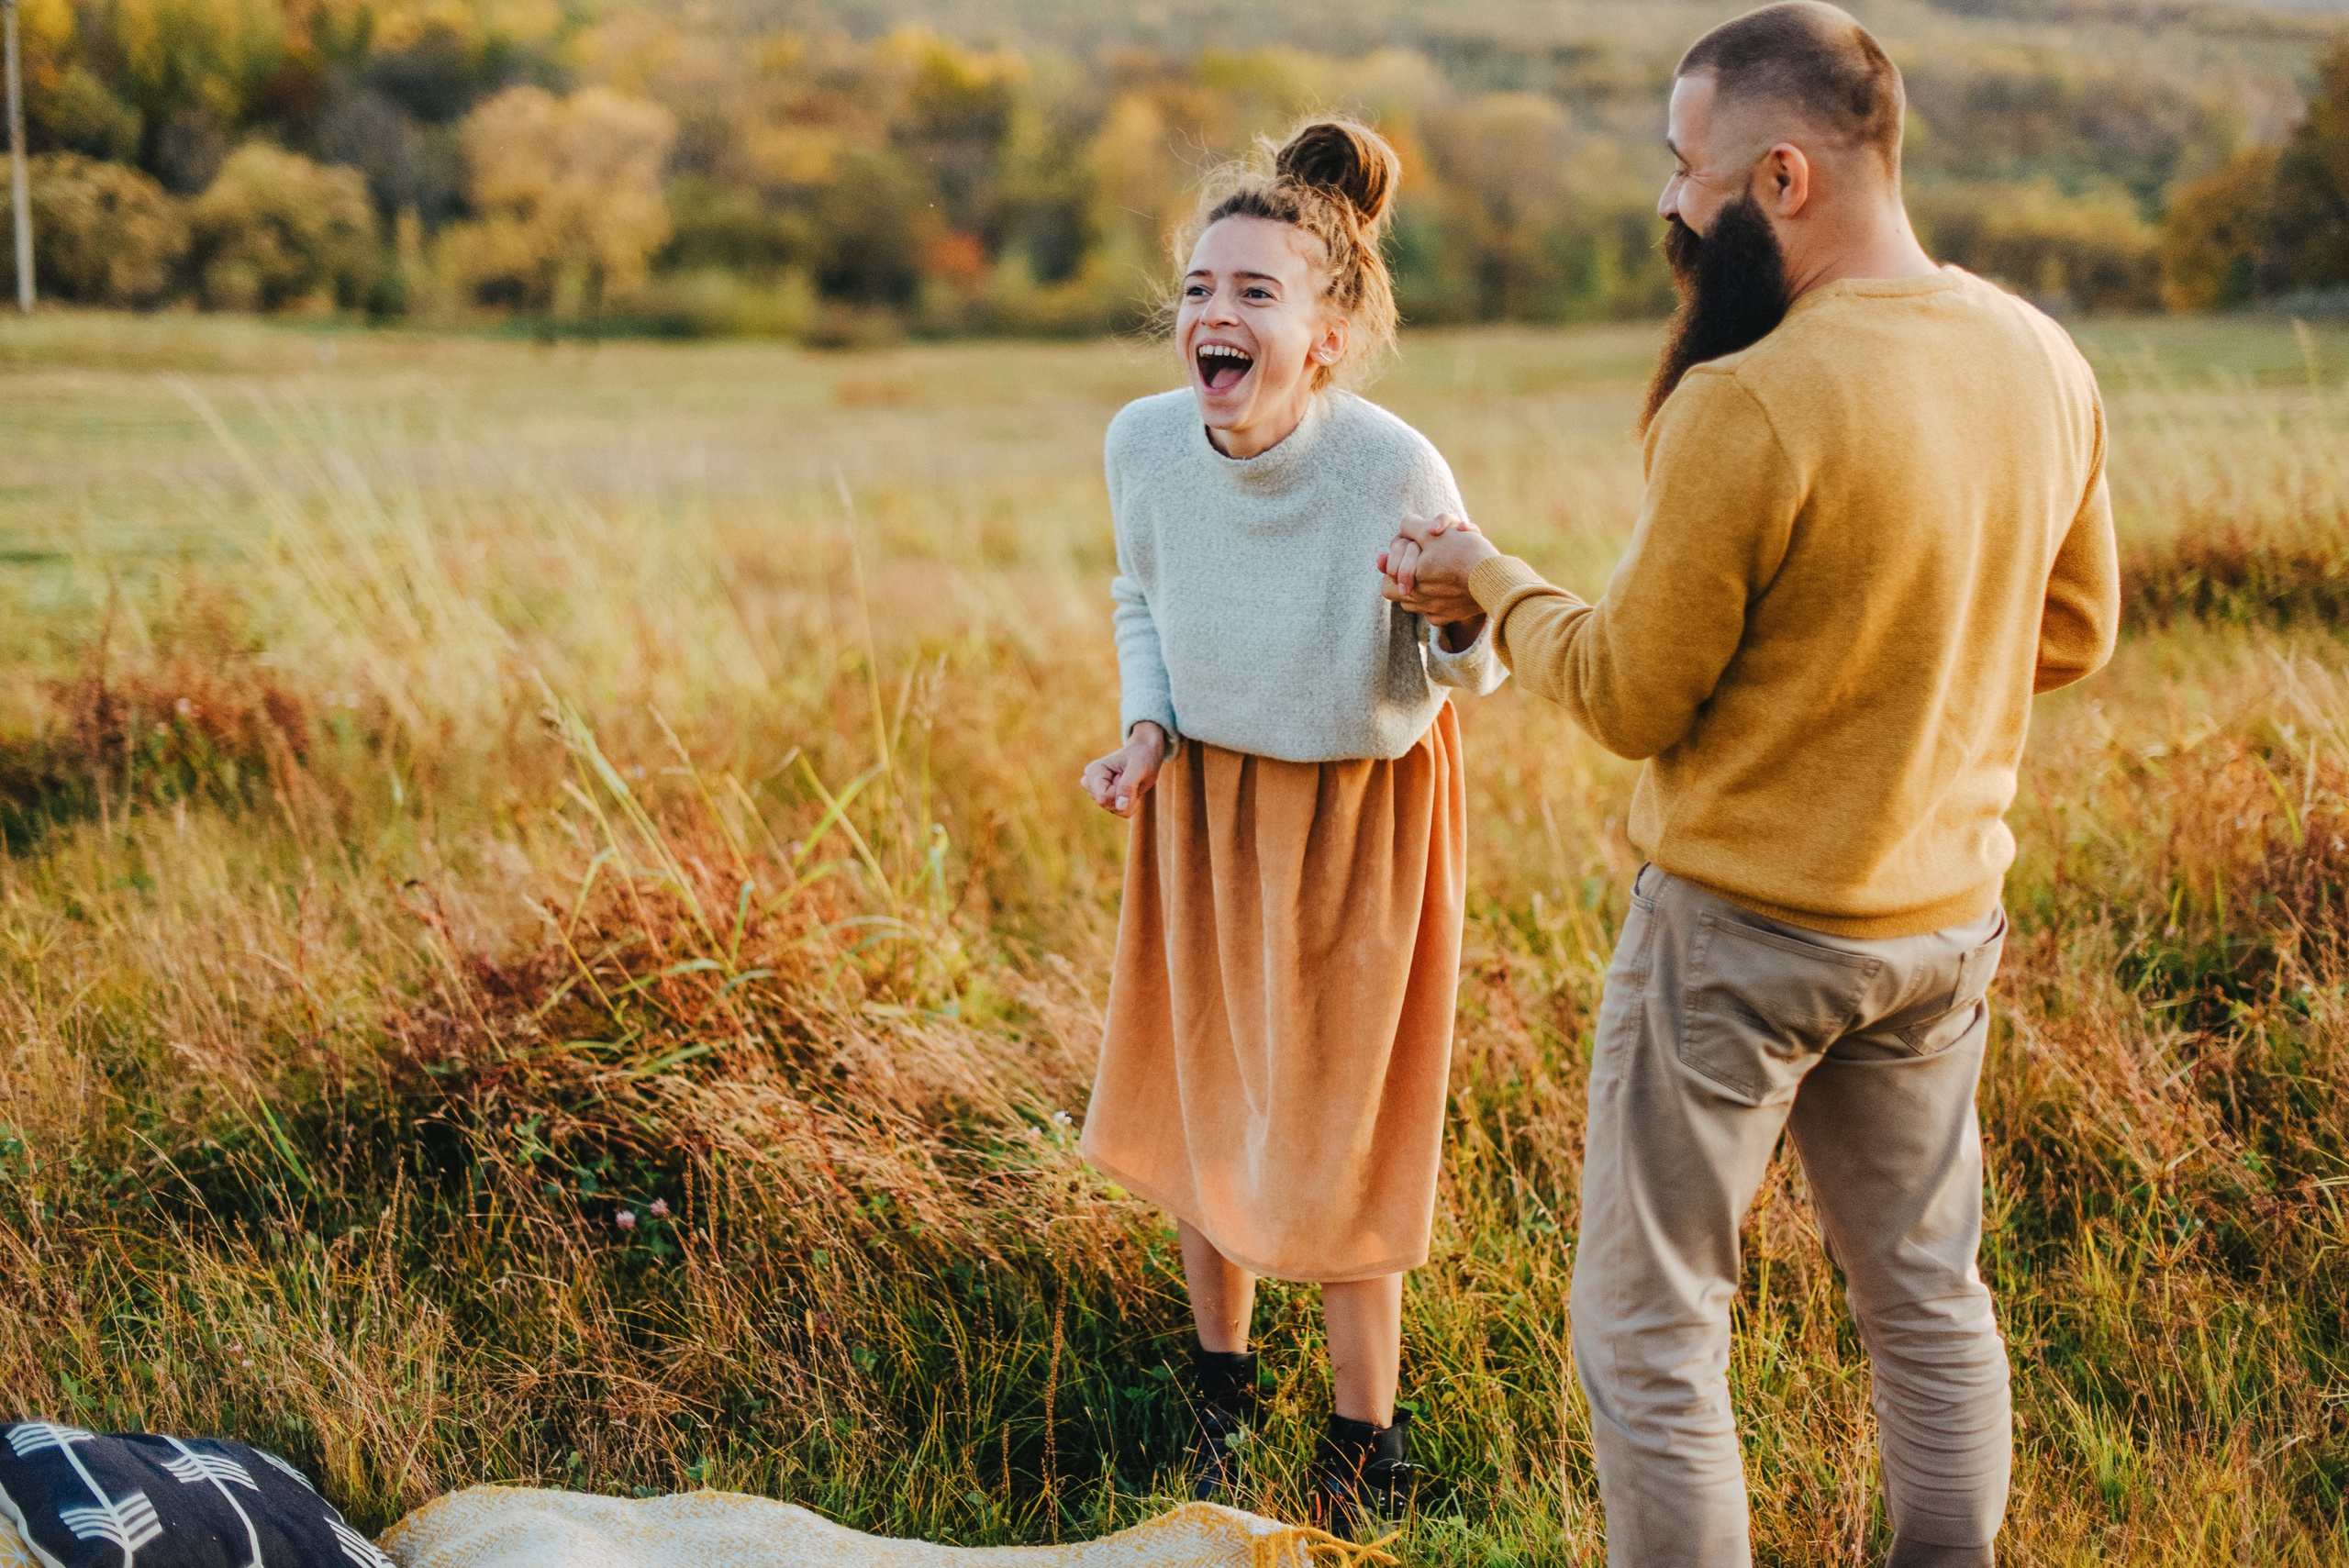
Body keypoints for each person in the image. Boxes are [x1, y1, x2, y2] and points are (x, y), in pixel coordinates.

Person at [1380, 5, 2120, 1565]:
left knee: (1651, 1325)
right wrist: (1897, 695)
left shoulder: (1751, 399)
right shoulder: (2042, 355)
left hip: (1737, 944)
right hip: (1941, 932)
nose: (1670, 203)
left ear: (1783, 176)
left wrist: (1489, 582)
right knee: (1925, 1297)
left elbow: (1634, 694)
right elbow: (2075, 628)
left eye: (1687, 167)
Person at [1074, 117, 1507, 1540]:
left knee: (1338, 1132)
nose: (1217, 314)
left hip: (1358, 817)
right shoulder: (1144, 442)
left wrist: (1455, 611)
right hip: (1201, 803)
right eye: (1202, 287)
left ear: (1325, 335)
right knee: (1210, 1106)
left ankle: (1364, 1447)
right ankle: (1221, 1393)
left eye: (1258, 293)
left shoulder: (1391, 466)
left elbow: (1471, 667)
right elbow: (1143, 596)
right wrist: (1146, 727)